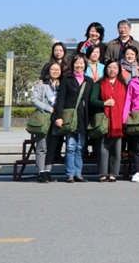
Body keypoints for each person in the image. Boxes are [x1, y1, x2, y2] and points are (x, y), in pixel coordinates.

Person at [54, 54, 94, 183]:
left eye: (82, 63)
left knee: (80, 147)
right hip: (70, 117)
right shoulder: (67, 78)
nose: (79, 65)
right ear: (72, 65)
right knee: (70, 147)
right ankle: (70, 174)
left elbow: (91, 101)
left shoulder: (89, 81)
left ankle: (78, 173)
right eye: (76, 63)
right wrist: (59, 116)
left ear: (85, 65)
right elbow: (60, 98)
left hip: (83, 118)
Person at [89, 59, 127, 182]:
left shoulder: (123, 85)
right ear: (105, 69)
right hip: (104, 120)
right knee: (102, 147)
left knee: (116, 148)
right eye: (110, 67)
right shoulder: (99, 84)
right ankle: (103, 173)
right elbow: (92, 100)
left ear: (119, 70)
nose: (112, 70)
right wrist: (104, 103)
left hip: (118, 121)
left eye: (115, 67)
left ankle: (113, 173)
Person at [31, 62, 63, 183]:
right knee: (42, 146)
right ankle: (41, 172)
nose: (55, 71)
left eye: (57, 69)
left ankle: (48, 171)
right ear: (48, 71)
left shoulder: (62, 84)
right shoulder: (42, 85)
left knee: (52, 147)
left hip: (57, 118)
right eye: (53, 69)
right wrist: (48, 108)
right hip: (44, 117)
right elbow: (34, 99)